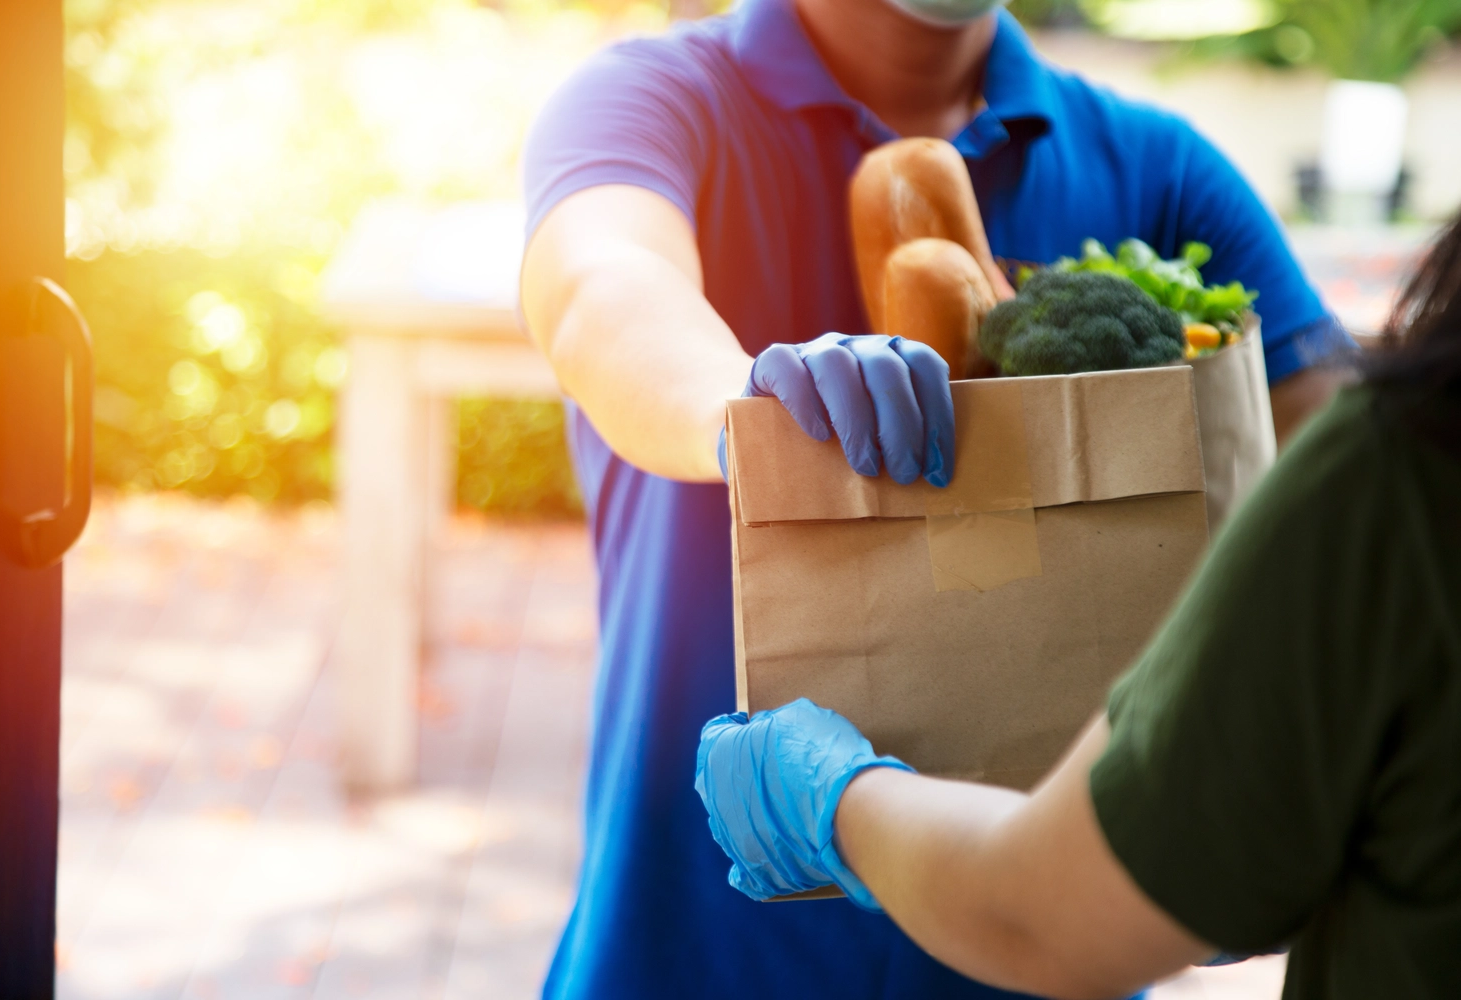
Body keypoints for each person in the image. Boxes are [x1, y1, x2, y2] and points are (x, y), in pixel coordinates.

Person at [519, 0, 1352, 993]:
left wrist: (1258, 790)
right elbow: (602, 289)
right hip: (689, 960)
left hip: (1052, 959)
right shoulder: (656, 99)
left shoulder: (1157, 172)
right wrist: (741, 408)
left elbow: (1352, 466)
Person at [696, 213, 1461, 998]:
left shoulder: (1404, 475)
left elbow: (1040, 917)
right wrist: (723, 423)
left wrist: (829, 797)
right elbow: (604, 292)